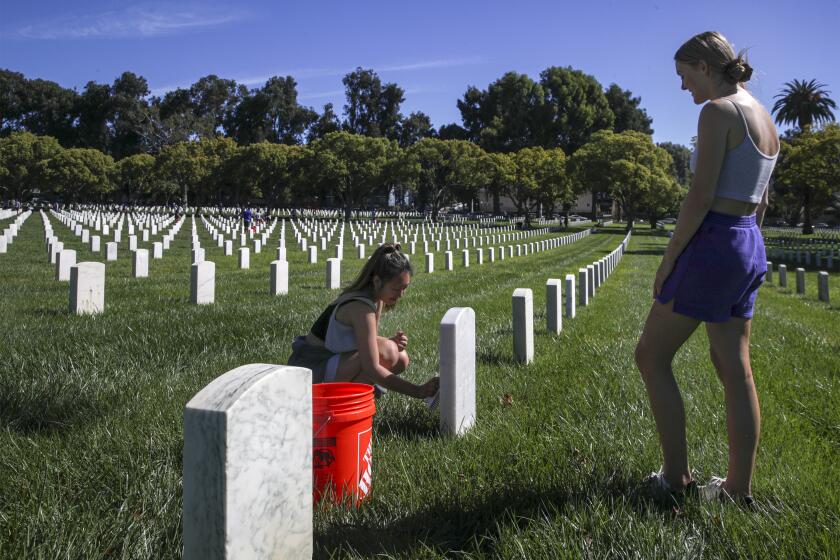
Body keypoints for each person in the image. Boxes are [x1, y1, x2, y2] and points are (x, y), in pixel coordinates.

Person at [634, 31, 779, 506]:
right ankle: (738, 491)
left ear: (703, 65)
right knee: (735, 369)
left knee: (651, 357)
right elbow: (758, 203)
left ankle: (676, 480)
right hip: (747, 241)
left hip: (714, 240)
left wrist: (669, 259)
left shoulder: (718, 112)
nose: (683, 88)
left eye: (683, 75)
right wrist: (747, 245)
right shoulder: (764, 116)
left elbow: (699, 197)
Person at [288, 243, 439, 399]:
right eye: (396, 288)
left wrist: (389, 342)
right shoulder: (360, 307)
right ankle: (334, 402)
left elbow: (367, 341)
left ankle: (348, 404)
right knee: (388, 352)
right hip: (311, 370)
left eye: (404, 288)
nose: (401, 294)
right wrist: (417, 391)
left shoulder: (375, 299)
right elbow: (371, 367)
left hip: (331, 362)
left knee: (400, 357)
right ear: (377, 281)